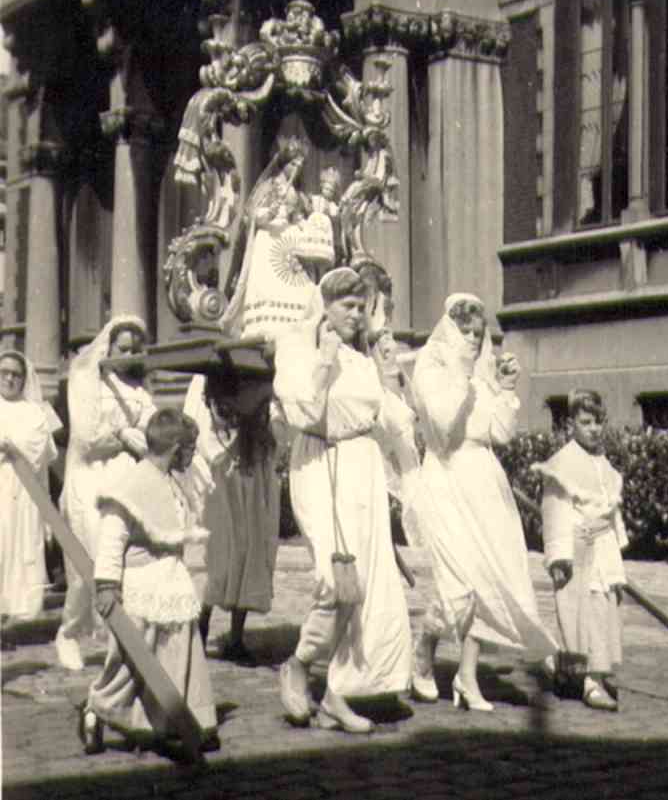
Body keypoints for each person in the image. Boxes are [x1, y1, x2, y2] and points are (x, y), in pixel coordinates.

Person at [271, 266, 419, 734]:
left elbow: (390, 418)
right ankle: (298, 664)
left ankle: (340, 692)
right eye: (347, 306)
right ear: (325, 307)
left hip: (363, 470)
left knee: (369, 585)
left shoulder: (360, 361)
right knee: (336, 581)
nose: (357, 315)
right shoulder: (299, 352)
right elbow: (305, 412)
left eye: (361, 307)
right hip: (321, 466)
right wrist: (323, 360)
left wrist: (393, 374)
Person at [409, 294, 557, 711]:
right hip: (444, 478)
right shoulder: (432, 368)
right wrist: (464, 374)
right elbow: (442, 425)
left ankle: (467, 677)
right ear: (450, 330)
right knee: (456, 585)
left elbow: (500, 432)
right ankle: (424, 649)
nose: (475, 341)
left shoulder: (479, 374)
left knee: (487, 579)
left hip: (483, 480)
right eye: (467, 332)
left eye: (480, 334)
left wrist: (504, 389)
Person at [78, 407, 219, 756]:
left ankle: (184, 720)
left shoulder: (171, 479)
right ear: (175, 449)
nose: (190, 457)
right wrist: (107, 585)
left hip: (172, 580)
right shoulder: (132, 484)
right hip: (142, 585)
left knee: (181, 655)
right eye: (187, 449)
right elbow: (112, 536)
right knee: (132, 663)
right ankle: (96, 710)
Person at [56, 316, 157, 671]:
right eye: (122, 348)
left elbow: (152, 431)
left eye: (134, 349)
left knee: (125, 562)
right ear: (108, 347)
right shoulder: (88, 381)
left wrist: (141, 436)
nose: (128, 355)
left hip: (128, 479)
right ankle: (69, 632)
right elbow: (86, 438)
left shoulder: (141, 390)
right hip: (92, 479)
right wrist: (125, 435)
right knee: (92, 559)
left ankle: (120, 638)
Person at [535, 388, 628, 711]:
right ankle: (588, 680)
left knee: (604, 611)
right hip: (576, 550)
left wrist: (617, 545)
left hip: (602, 549)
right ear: (571, 423)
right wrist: (559, 554)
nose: (593, 429)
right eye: (586, 422)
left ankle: (577, 666)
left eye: (598, 422)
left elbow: (610, 510)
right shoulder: (562, 463)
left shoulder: (602, 463)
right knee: (580, 615)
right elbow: (555, 511)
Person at [184, 374, 281, 662]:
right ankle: (199, 628)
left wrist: (258, 430)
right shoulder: (203, 382)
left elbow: (277, 431)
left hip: (251, 478)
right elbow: (196, 431)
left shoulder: (263, 379)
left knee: (249, 548)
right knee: (216, 551)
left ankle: (237, 635)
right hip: (218, 481)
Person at [223, 136, 319, 338]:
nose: (296, 169)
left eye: (299, 165)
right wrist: (268, 213)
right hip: (270, 236)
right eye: (293, 164)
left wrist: (304, 225)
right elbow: (252, 216)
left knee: (301, 287)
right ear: (284, 163)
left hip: (290, 241)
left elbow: (298, 215)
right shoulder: (268, 186)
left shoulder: (296, 192)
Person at [0, 350, 60, 649]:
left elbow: (37, 453)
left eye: (15, 374)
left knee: (16, 550)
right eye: (4, 373)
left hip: (22, 491)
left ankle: (7, 621)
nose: (9, 378)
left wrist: (10, 446)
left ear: (24, 379)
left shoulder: (34, 412)